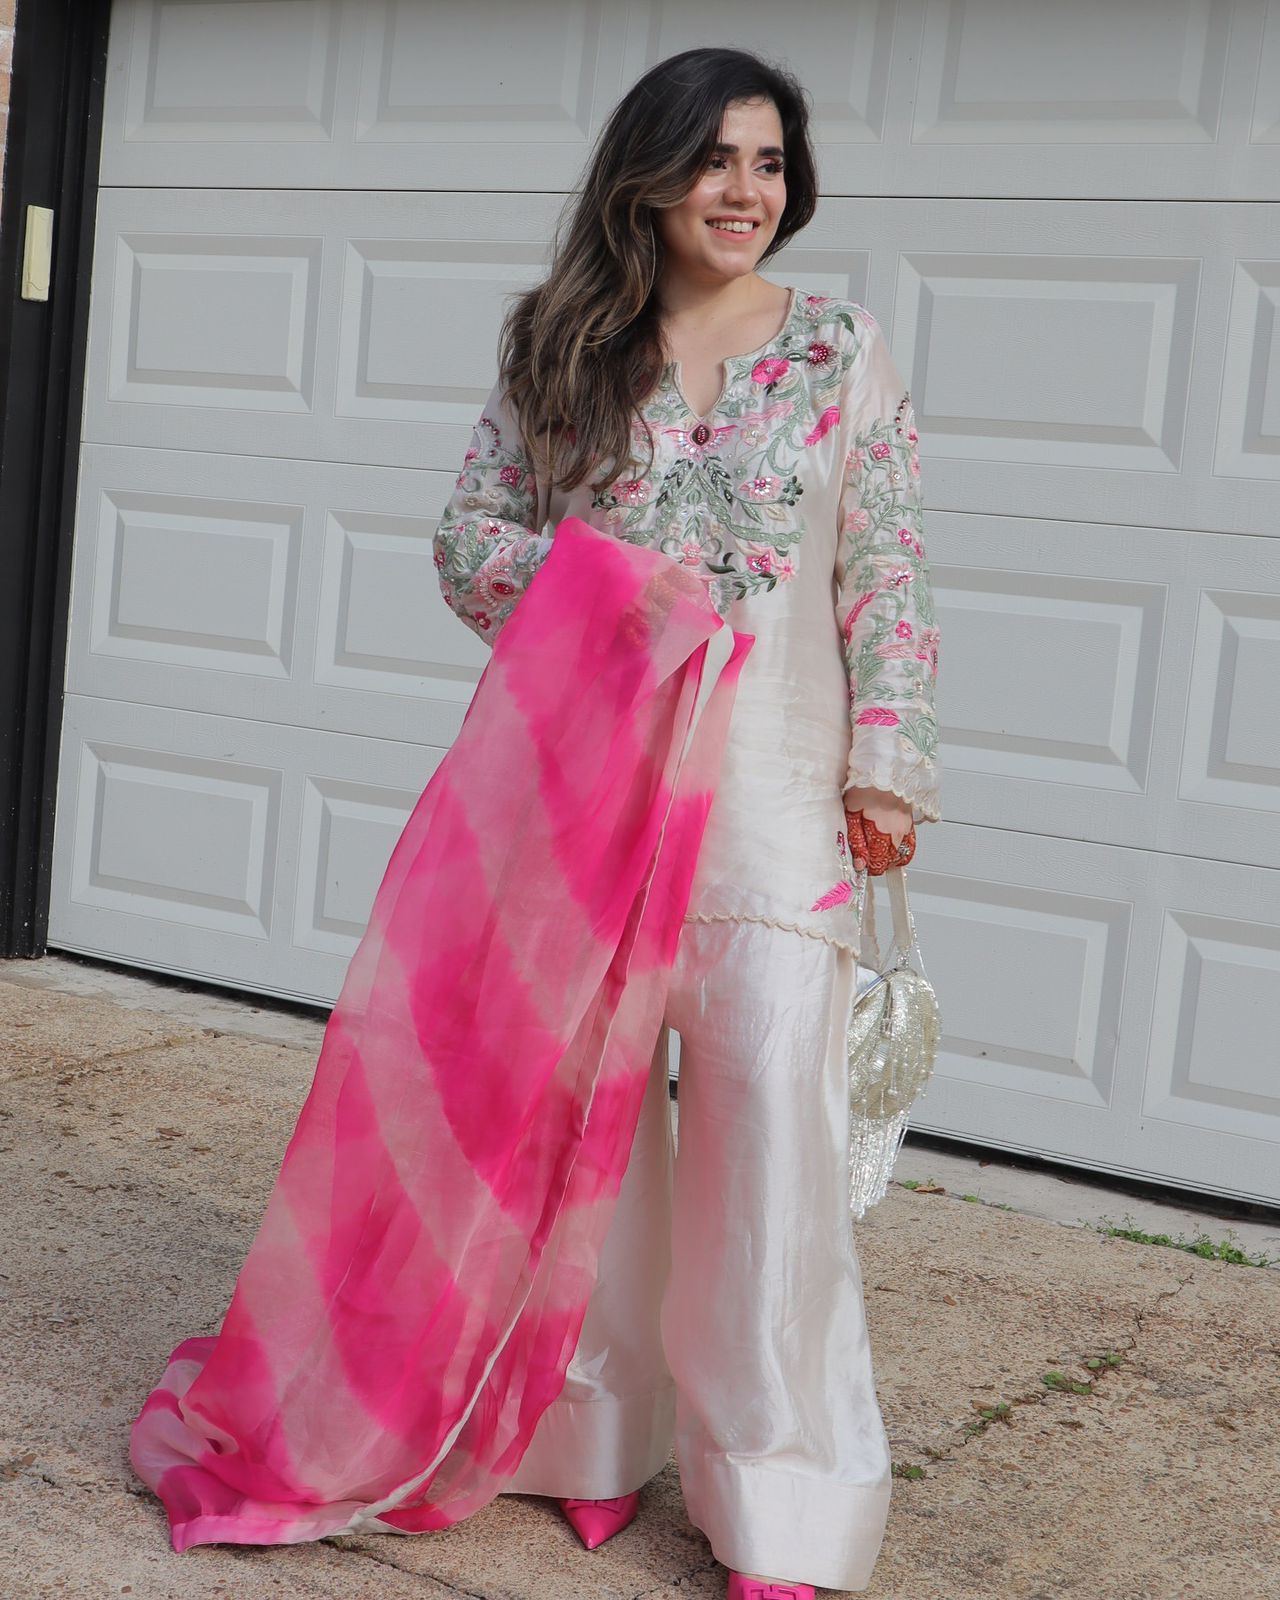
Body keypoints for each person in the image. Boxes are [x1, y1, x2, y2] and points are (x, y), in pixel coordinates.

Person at [431, 44, 941, 1600]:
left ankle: (780, 1498)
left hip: (777, 802)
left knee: (770, 1140)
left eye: (769, 163)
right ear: (647, 176)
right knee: (583, 1140)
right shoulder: (563, 343)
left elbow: (887, 566)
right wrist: (611, 590)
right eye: (716, 159)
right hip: (589, 797)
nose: (745, 190)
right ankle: (581, 1438)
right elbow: (470, 540)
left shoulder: (840, 349)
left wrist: (887, 762)